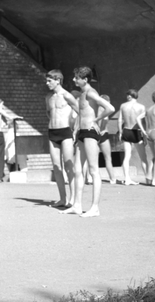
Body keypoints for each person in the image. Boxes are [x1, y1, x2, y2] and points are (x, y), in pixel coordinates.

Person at [66, 67, 112, 217]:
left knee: (93, 170)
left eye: (76, 77)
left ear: (84, 79)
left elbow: (110, 108)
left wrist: (96, 120)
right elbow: (82, 114)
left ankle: (95, 208)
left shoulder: (91, 92)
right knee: (78, 170)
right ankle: (77, 205)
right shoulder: (82, 94)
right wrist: (75, 130)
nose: (74, 80)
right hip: (81, 132)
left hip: (91, 133)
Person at [44, 69, 77, 208]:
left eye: (49, 81)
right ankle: (63, 199)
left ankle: (74, 199)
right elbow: (48, 113)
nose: (47, 83)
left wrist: (75, 130)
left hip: (65, 132)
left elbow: (80, 112)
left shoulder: (67, 95)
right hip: (52, 132)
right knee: (57, 167)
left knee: (69, 165)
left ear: (58, 80)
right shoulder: (48, 97)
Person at [117, 90, 146, 187]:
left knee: (127, 156)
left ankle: (127, 179)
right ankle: (148, 178)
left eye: (127, 95)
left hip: (126, 130)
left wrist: (120, 132)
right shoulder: (141, 107)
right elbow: (143, 122)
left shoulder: (123, 106)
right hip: (136, 131)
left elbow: (120, 119)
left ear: (130, 96)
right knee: (143, 157)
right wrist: (145, 136)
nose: (127, 97)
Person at [96, 98, 120, 186]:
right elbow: (104, 120)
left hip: (95, 134)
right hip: (103, 133)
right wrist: (102, 128)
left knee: (92, 159)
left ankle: (89, 179)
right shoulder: (106, 110)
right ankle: (112, 178)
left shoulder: (95, 109)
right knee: (108, 158)